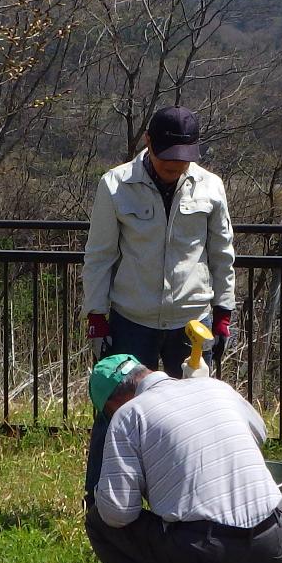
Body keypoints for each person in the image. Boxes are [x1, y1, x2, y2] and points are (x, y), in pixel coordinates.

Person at [84, 353, 282, 563]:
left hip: (204, 562)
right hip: (273, 549)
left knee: (98, 521)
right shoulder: (215, 386)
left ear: (113, 403)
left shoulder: (129, 415)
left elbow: (117, 513)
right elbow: (260, 434)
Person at [82, 106, 236, 378]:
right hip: (132, 321)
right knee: (124, 410)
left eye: (183, 159)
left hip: (193, 321)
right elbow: (99, 255)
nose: (174, 166)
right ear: (148, 141)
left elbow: (221, 254)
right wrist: (96, 317)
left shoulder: (211, 186)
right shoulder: (115, 185)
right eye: (167, 157)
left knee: (189, 414)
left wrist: (224, 313)